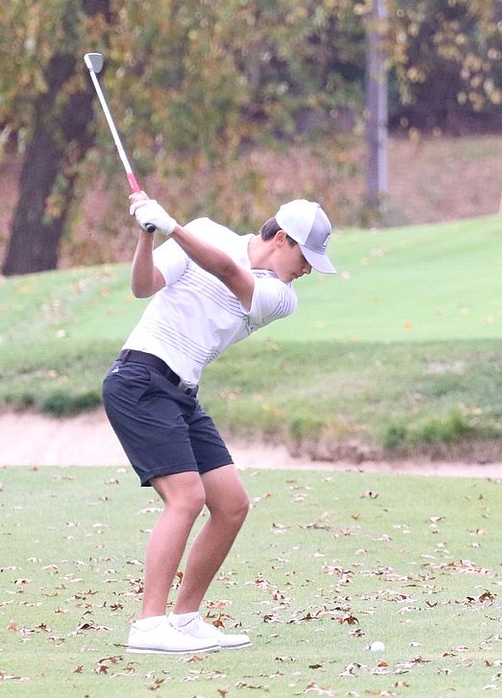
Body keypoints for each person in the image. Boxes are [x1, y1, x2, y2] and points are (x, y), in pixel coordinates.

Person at [102, 191, 336, 654]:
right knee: (186, 499)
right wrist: (148, 238)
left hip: (182, 394)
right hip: (139, 379)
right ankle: (148, 625)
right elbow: (143, 286)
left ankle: (185, 619)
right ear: (282, 239)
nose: (308, 269)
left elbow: (229, 273)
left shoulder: (280, 296)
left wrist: (172, 228)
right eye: (306, 257)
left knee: (230, 505)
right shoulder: (207, 232)